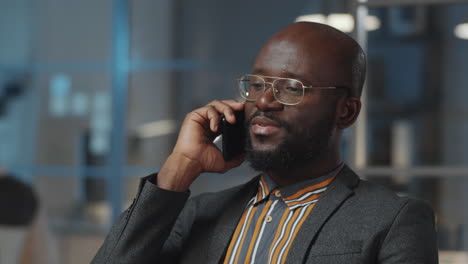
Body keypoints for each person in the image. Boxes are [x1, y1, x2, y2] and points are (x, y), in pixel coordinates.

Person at [92, 22, 438, 264]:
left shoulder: (393, 220)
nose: (265, 102)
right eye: (256, 84)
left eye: (291, 88)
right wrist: (178, 169)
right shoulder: (201, 213)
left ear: (345, 112)